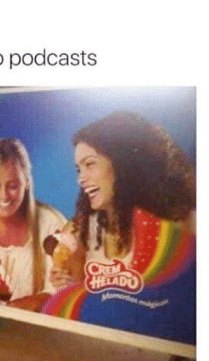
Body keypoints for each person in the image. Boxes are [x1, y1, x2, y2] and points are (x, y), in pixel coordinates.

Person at [50, 111, 196, 287]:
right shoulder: (83, 231)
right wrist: (65, 286)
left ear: (123, 164)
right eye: (79, 169)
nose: (80, 179)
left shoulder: (182, 227)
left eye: (90, 164)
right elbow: (78, 296)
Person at [0, 138, 67, 312]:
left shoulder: (51, 222)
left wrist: (16, 309)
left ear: (26, 181)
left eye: (12, 186)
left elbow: (60, 291)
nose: (4, 196)